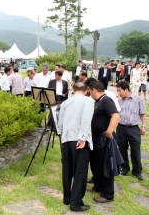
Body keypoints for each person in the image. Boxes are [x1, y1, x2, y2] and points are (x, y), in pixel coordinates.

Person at [58, 82, 94, 212]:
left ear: (73, 90)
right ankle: (76, 202)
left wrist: (62, 137)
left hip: (66, 139)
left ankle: (67, 198)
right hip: (79, 139)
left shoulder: (66, 102)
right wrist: (83, 138)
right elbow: (86, 119)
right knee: (80, 171)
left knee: (67, 170)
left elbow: (60, 121)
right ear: (86, 91)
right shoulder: (88, 101)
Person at [88, 81, 120, 203]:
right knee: (96, 165)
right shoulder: (98, 101)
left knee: (104, 165)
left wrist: (109, 131)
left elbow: (116, 116)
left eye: (89, 90)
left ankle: (107, 194)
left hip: (103, 138)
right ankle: (98, 187)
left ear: (94, 89)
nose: (89, 93)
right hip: (95, 138)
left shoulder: (106, 100)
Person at [116, 81, 146, 181]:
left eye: (120, 90)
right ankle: (124, 168)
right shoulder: (118, 100)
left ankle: (137, 171)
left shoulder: (138, 99)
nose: (118, 93)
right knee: (122, 149)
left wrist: (143, 126)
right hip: (121, 127)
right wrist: (116, 100)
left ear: (126, 89)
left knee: (136, 150)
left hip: (133, 128)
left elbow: (143, 113)